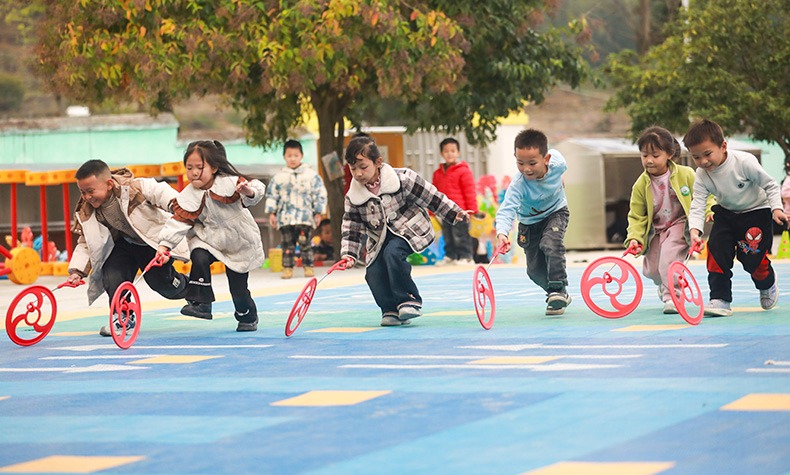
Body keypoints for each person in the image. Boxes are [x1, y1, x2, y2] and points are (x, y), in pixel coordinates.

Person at [339, 135, 470, 326]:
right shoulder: (354, 196)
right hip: (379, 238)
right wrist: (349, 254)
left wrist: (454, 212)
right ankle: (389, 309)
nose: (358, 173)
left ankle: (408, 300)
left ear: (378, 162)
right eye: (353, 168)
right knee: (373, 272)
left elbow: (431, 196)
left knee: (393, 253)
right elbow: (351, 226)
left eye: (363, 167)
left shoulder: (403, 179)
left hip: (409, 229)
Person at [66, 159, 190, 337]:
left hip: (151, 243)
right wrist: (77, 271)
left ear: (109, 184)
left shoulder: (134, 188)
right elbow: (87, 242)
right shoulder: (87, 211)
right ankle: (122, 318)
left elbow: (160, 192)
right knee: (113, 276)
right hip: (123, 245)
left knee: (163, 284)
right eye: (82, 192)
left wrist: (178, 206)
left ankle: (193, 288)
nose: (87, 197)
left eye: (90, 191)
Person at [157, 140, 265, 332]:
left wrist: (248, 191)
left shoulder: (231, 182)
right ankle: (202, 303)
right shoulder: (187, 196)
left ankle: (247, 316)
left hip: (238, 241)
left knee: (238, 289)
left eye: (199, 167)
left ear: (214, 168)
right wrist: (164, 246)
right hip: (211, 239)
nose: (194, 172)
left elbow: (257, 189)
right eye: (189, 167)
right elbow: (178, 222)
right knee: (198, 253)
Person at [685, 119, 788, 316]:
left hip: (756, 212)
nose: (703, 161)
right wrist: (695, 231)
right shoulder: (702, 174)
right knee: (716, 252)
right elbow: (697, 204)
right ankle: (720, 299)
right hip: (726, 214)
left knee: (752, 260)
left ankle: (767, 283)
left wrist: (776, 208)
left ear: (723, 146)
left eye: (707, 154)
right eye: (696, 157)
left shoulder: (744, 162)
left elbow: (771, 185)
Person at [625, 126, 713, 314]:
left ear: (669, 154)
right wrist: (634, 238)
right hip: (655, 231)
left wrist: (710, 210)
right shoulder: (640, 185)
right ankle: (664, 285)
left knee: (668, 261)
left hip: (679, 224)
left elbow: (703, 194)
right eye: (644, 155)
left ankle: (673, 297)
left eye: (655, 155)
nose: (649, 160)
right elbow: (636, 216)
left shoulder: (686, 174)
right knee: (652, 271)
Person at [495, 128, 572, 316]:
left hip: (556, 212)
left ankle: (557, 288)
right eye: (520, 163)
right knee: (534, 272)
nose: (526, 169)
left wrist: (559, 179)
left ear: (546, 159)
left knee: (550, 243)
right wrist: (502, 233)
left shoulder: (558, 163)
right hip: (529, 224)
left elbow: (558, 160)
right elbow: (507, 209)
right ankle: (557, 294)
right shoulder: (518, 184)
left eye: (532, 163)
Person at [264, 139, 327, 279]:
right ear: (284, 157)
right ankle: (287, 268)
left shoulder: (311, 175)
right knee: (287, 245)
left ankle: (308, 266)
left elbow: (319, 194)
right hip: (285, 218)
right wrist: (272, 213)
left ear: (301, 156)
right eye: (289, 155)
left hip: (305, 217)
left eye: (296, 155)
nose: (292, 158)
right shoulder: (279, 177)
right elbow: (272, 195)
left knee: (306, 244)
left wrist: (318, 212)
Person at [432, 137, 478, 265]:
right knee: (447, 234)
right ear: (441, 153)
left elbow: (469, 191)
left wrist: (472, 210)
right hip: (444, 211)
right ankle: (450, 256)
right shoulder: (437, 173)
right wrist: (432, 209)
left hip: (461, 211)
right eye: (446, 151)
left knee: (460, 234)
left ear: (458, 153)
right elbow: (434, 193)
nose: (449, 154)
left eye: (453, 151)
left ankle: (466, 257)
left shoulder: (464, 171)